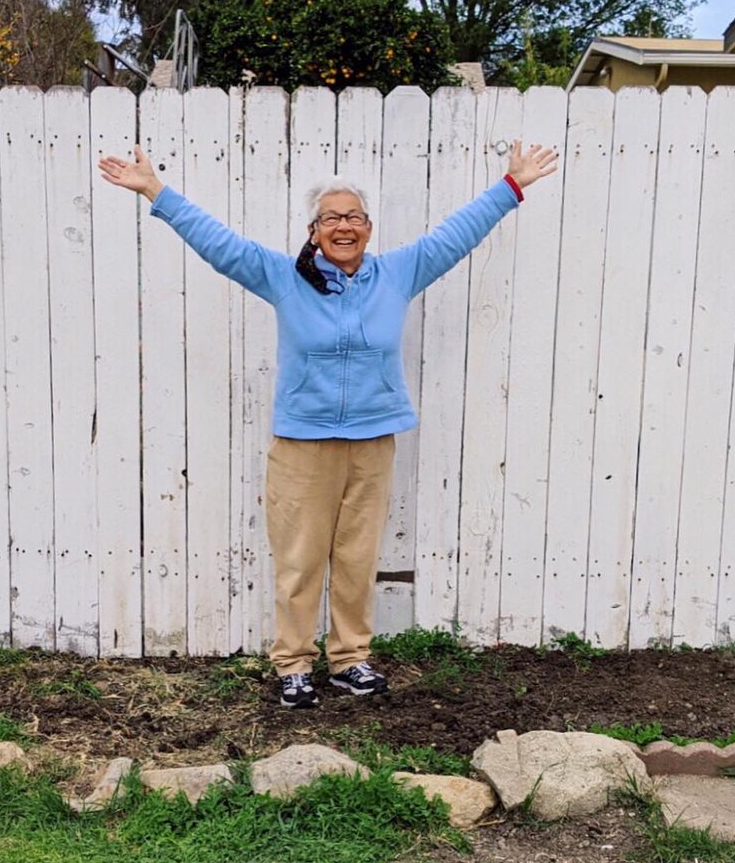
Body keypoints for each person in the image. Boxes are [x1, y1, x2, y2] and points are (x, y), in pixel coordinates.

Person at [98, 137, 557, 709]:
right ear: (314, 230)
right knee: (300, 559)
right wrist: (155, 191)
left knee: (358, 559)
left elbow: (456, 235)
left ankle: (350, 661)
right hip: (303, 444)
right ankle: (293, 665)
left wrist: (511, 186)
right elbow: (218, 243)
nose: (344, 226)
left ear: (368, 227)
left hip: (372, 440)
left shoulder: (398, 273)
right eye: (331, 217)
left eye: (354, 216)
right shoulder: (282, 277)